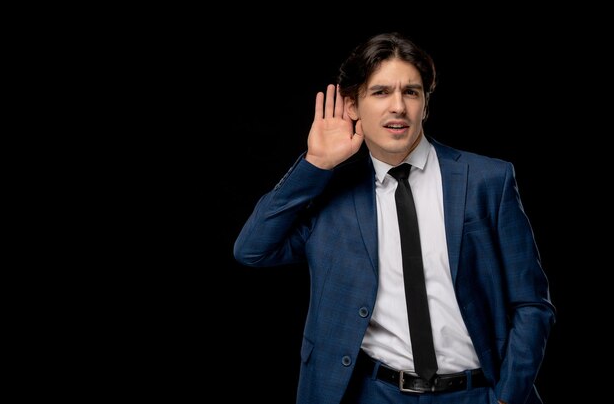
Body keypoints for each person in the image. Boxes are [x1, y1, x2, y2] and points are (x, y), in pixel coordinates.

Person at [234, 32, 555, 404]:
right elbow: (252, 249)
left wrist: (506, 397)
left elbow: (531, 304)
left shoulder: (488, 180)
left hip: (475, 393)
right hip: (372, 393)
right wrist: (316, 164)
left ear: (426, 105)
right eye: (381, 92)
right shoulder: (331, 196)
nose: (398, 107)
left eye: (412, 92)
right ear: (352, 105)